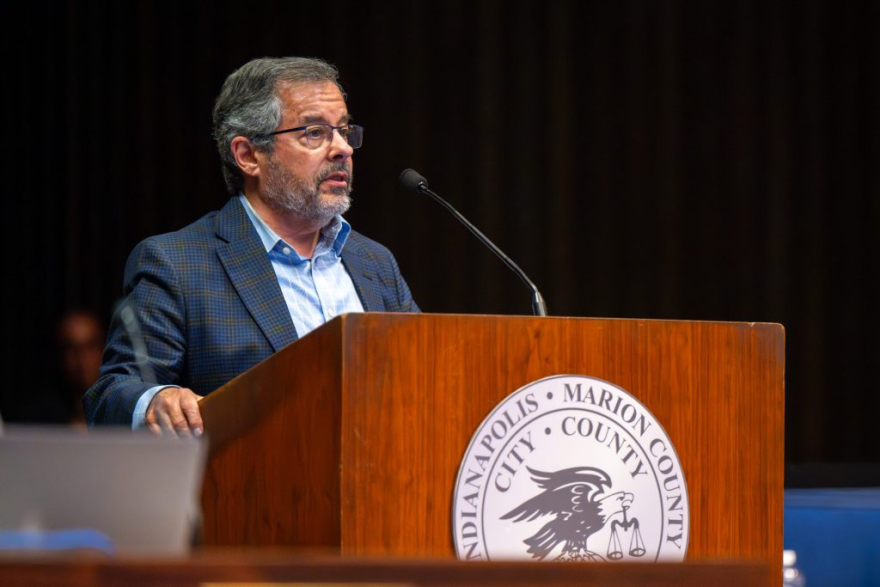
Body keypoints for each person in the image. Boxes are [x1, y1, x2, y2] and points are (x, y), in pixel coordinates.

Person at [84, 57, 419, 435]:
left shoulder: (374, 263)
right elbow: (111, 395)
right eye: (315, 132)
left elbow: (426, 378)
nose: (343, 148)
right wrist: (157, 400)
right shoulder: (178, 264)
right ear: (247, 155)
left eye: (343, 130)